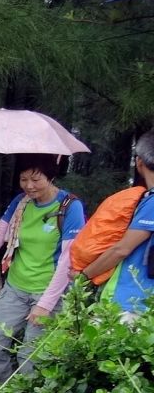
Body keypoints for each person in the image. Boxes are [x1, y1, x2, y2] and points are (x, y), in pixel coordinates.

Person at [0, 155, 87, 387]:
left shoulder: (69, 207)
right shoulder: (21, 203)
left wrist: (45, 305)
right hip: (15, 289)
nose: (29, 186)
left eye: (36, 179)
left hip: (50, 294)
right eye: (23, 179)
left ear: (51, 177)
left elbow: (68, 261)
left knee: (32, 359)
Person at [75, 132, 154, 320]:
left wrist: (83, 276)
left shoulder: (151, 203)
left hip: (133, 302)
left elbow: (121, 249)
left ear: (139, 162)